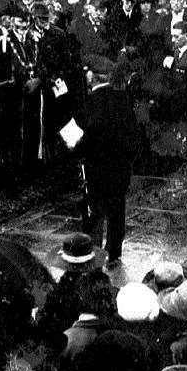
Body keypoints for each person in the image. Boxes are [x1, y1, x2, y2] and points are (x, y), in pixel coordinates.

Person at [70, 56, 140, 265]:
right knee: (117, 211)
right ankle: (115, 253)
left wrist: (73, 149)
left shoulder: (89, 103)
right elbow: (134, 137)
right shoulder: (124, 99)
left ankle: (92, 254)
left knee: (93, 214)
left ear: (92, 75)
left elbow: (80, 138)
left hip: (95, 170)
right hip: (120, 169)